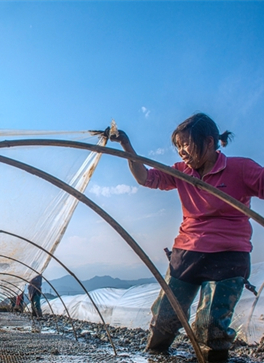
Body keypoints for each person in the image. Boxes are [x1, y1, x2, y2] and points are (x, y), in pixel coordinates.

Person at [111, 113, 263, 362]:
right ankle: (155, 354)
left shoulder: (241, 168)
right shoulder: (181, 172)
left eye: (187, 144)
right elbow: (145, 178)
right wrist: (126, 144)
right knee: (165, 317)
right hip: (187, 252)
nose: (181, 151)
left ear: (210, 142)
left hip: (229, 256)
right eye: (178, 146)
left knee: (211, 325)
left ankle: (212, 357)